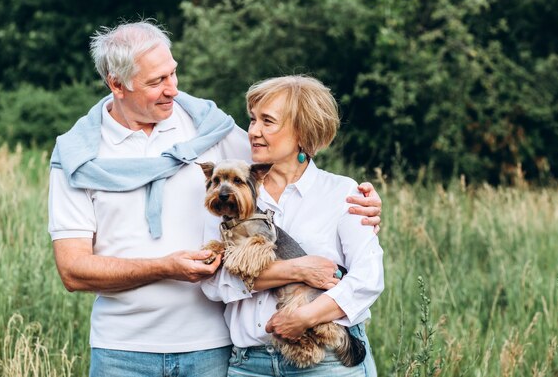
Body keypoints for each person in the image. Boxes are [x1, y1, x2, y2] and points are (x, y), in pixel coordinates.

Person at [48, 19, 382, 377]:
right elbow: (73, 271)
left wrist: (362, 201)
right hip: (122, 348)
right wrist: (166, 267)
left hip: (212, 347)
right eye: (156, 81)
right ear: (117, 84)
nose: (172, 90)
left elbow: (290, 153)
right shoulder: (77, 157)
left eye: (173, 73)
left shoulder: (208, 128)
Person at [201, 75, 384, 376]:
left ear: (301, 131)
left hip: (328, 364)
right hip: (250, 365)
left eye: (267, 122)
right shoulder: (232, 192)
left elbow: (368, 278)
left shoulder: (341, 193)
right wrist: (297, 270)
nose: (253, 132)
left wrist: (304, 317)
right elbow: (213, 282)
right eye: (252, 120)